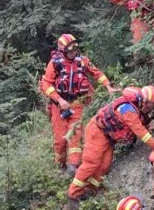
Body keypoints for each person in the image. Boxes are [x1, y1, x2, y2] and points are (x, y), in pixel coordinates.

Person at [62, 84, 154, 210]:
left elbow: (141, 124)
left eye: (153, 105)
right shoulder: (128, 110)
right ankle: (73, 195)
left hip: (109, 137)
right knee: (91, 163)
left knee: (104, 166)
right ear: (142, 100)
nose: (150, 107)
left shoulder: (137, 105)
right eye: (149, 104)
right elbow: (141, 133)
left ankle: (89, 191)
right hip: (97, 132)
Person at [39, 33, 116, 173]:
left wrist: (108, 86)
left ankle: (73, 166)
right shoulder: (55, 64)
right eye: (70, 50)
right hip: (58, 106)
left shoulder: (82, 61)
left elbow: (97, 73)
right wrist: (60, 100)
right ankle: (59, 165)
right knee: (60, 140)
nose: (74, 52)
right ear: (63, 50)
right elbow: (46, 85)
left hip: (77, 103)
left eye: (75, 49)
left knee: (75, 134)